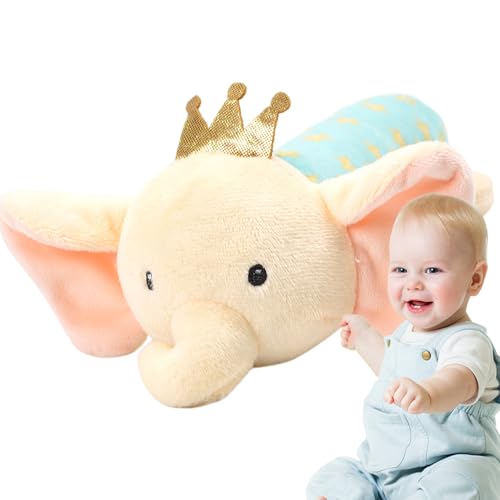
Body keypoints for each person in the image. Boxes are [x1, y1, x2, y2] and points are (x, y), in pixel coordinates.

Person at [307, 193, 500, 499]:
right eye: (400, 270)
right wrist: (364, 337)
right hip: (386, 472)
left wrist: (428, 392)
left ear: (474, 279)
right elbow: (391, 370)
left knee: (462, 482)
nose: (413, 283)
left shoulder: (468, 341)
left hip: (448, 464)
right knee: (333, 477)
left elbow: (459, 379)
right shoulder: (405, 335)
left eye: (432, 270)